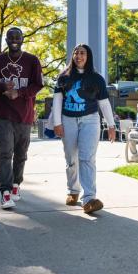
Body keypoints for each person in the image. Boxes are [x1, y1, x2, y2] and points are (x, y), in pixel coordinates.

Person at [52, 44, 116, 214]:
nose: (79, 56)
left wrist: (111, 125)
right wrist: (57, 123)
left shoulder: (97, 79)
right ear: (72, 56)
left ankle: (89, 199)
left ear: (88, 57)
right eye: (76, 53)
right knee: (71, 158)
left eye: (82, 53)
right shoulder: (63, 77)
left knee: (87, 158)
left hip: (91, 120)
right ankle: (73, 190)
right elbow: (57, 101)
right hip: (68, 120)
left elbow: (104, 103)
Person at [0, 27, 44, 209]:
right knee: (5, 153)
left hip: (25, 116)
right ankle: (5, 192)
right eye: (10, 37)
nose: (14, 39)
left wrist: (19, 92)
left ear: (22, 39)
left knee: (21, 155)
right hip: (4, 115)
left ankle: (15, 185)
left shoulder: (32, 60)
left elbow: (38, 84)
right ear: (6, 40)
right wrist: (2, 87)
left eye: (17, 37)